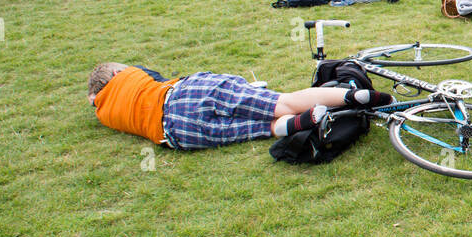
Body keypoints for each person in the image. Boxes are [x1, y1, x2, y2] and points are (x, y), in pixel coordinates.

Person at [88, 63, 394, 151]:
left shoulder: (104, 113)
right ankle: (347, 97)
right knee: (280, 101)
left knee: (254, 129)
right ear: (116, 74)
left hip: (176, 132)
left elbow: (95, 99)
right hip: (185, 94)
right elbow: (150, 73)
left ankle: (291, 126)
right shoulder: (129, 76)